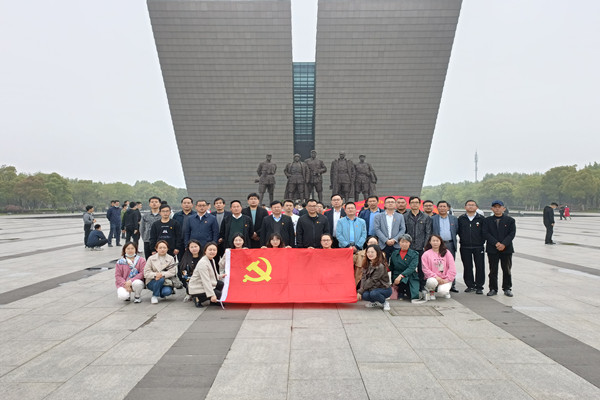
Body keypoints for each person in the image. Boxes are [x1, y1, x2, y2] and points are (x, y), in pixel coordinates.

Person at [484, 200, 516, 297]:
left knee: (506, 269)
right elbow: (485, 233)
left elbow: (511, 234)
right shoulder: (487, 220)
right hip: (492, 248)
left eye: (499, 207)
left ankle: (507, 288)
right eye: (495, 207)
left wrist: (503, 244)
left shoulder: (510, 220)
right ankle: (493, 288)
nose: (497, 209)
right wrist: (496, 243)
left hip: (506, 249)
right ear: (492, 209)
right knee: (493, 270)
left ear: (503, 208)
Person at [457, 200, 486, 294]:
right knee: (467, 266)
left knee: (480, 266)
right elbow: (458, 231)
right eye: (468, 205)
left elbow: (484, 232)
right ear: (465, 207)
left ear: (476, 207)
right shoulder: (461, 218)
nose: (470, 206)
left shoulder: (481, 219)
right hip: (465, 246)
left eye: (473, 205)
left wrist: (481, 241)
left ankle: (479, 286)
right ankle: (470, 285)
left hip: (478, 246)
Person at [404, 196, 432, 290]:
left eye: (416, 202)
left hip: (421, 247)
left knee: (422, 267)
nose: (414, 204)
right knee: (408, 267)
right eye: (412, 202)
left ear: (420, 204)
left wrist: (425, 246)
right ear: (409, 204)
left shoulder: (426, 217)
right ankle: (408, 286)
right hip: (409, 247)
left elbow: (428, 232)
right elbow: (404, 232)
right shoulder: (405, 216)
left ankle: (422, 286)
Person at [431, 200, 459, 293]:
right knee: (438, 264)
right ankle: (438, 284)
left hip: (450, 244)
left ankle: (452, 284)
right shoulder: (433, 219)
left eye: (444, 206)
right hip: (437, 245)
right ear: (437, 208)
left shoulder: (454, 219)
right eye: (440, 206)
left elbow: (456, 230)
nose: (442, 208)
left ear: (448, 208)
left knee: (450, 264)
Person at [188, 242, 227, 307]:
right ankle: (198, 298)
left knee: (220, 284)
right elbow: (205, 281)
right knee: (218, 294)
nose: (212, 252)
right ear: (205, 251)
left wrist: (220, 276)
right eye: (210, 250)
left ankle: (213, 301)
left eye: (214, 250)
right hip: (198, 286)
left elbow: (213, 274)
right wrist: (212, 295)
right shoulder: (203, 263)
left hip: (206, 283)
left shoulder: (212, 260)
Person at [357, 244, 392, 311]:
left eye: (372, 252)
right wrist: (361, 290)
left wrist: (360, 291)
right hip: (372, 288)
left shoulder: (380, 266)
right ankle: (374, 302)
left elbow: (372, 280)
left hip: (384, 288)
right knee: (365, 295)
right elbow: (363, 278)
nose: (370, 254)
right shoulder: (366, 264)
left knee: (374, 294)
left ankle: (384, 302)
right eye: (368, 252)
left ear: (377, 253)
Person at [422, 235, 457, 300]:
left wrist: (447, 279)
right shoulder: (426, 254)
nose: (435, 242)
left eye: (437, 241)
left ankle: (446, 291)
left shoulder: (447, 252)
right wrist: (436, 277)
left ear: (440, 242)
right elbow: (425, 269)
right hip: (433, 278)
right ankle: (431, 292)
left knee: (442, 292)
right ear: (430, 242)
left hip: (445, 278)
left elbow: (452, 268)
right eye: (433, 241)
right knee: (431, 282)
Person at [389, 234, 421, 302]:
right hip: (397, 275)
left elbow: (412, 268)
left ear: (410, 243)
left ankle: (406, 290)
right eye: (402, 242)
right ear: (399, 243)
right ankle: (400, 291)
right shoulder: (394, 253)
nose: (404, 244)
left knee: (414, 295)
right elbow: (391, 267)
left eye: (406, 242)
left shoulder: (414, 254)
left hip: (410, 276)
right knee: (401, 282)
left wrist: (401, 276)